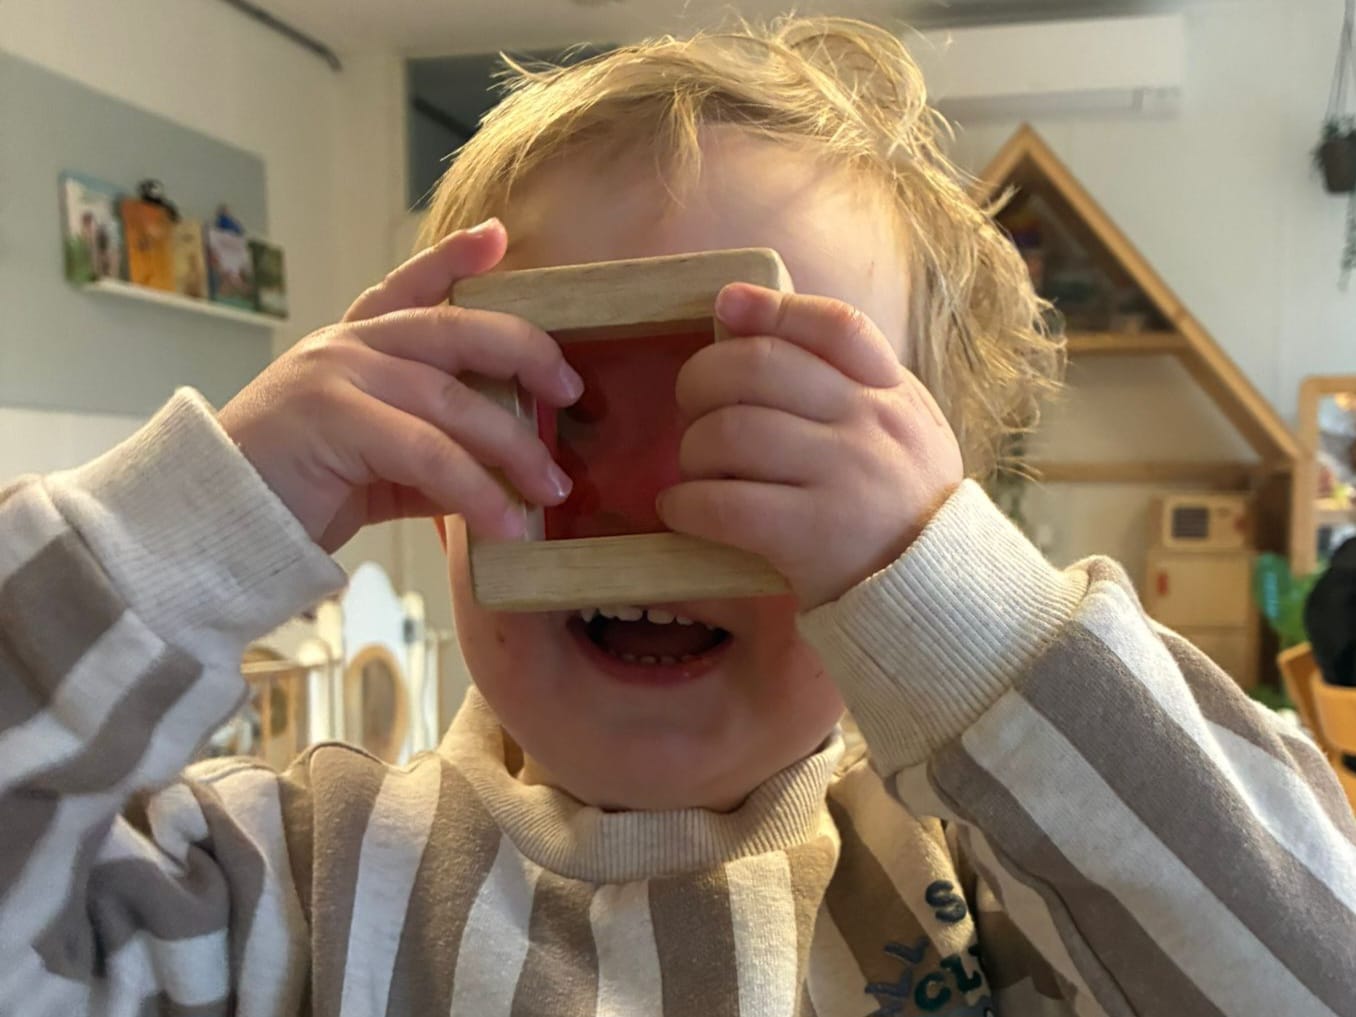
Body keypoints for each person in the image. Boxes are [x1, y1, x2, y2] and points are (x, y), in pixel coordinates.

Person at [3, 17, 1353, 1017]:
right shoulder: (290, 886)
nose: (663, 504)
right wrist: (202, 523)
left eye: (788, 433)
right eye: (568, 409)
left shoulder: (1011, 891)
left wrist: (969, 623)